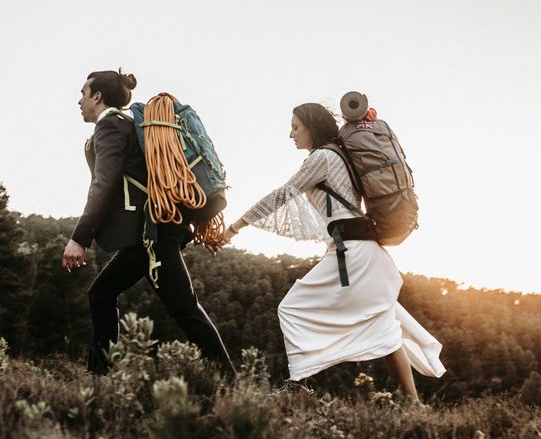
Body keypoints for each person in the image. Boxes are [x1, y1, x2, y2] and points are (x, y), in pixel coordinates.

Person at [221, 103, 445, 398]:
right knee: (381, 322)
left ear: (312, 127)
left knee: (292, 308)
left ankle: (299, 386)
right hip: (365, 251)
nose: (291, 134)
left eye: (295, 127)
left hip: (352, 253)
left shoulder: (322, 157)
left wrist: (234, 228)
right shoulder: (338, 156)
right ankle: (413, 403)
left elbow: (282, 195)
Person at [62, 69, 235, 376]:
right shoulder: (130, 124)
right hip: (153, 231)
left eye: (83, 93)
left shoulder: (111, 126)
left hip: (152, 234)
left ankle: (229, 380)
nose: (79, 101)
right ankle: (100, 376)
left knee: (184, 308)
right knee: (102, 293)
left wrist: (80, 238)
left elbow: (105, 182)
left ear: (97, 96)